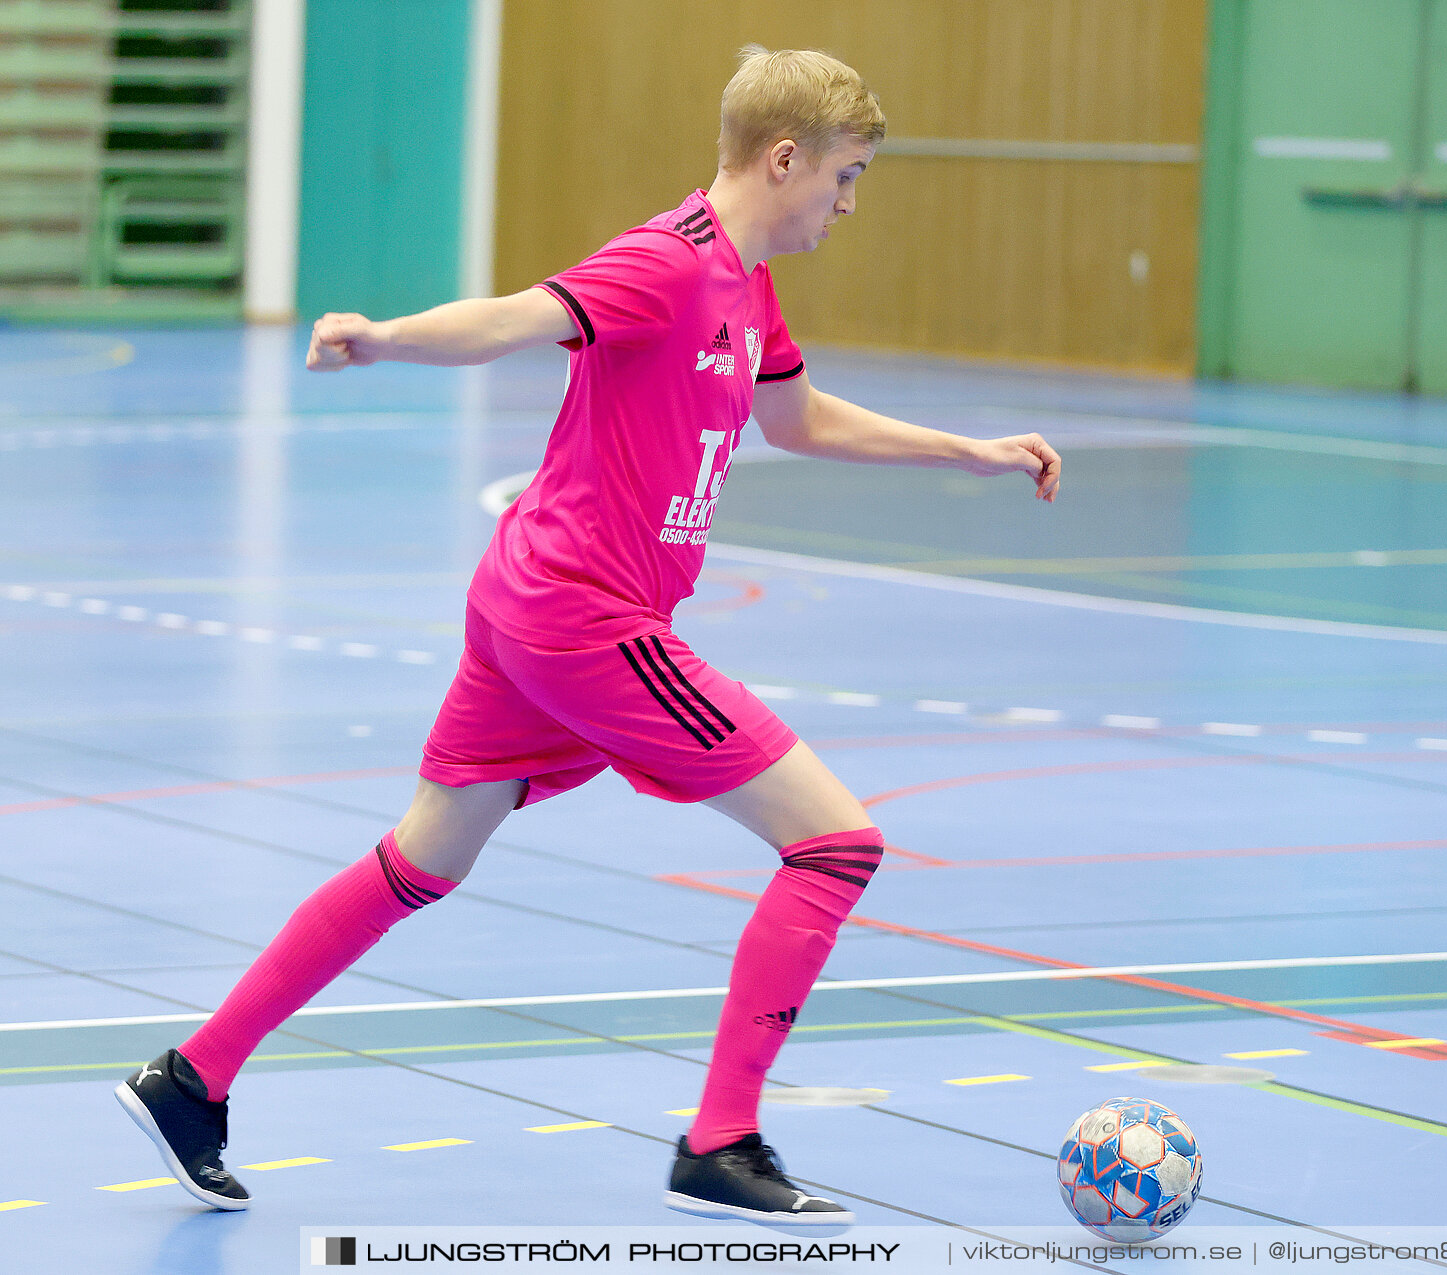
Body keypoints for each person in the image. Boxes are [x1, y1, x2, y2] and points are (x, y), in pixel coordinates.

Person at [115, 44, 1060, 1226]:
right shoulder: (666, 264)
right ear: (786, 159)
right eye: (846, 176)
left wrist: (965, 450)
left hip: (526, 603)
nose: (849, 203)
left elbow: (799, 418)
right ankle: (720, 1143)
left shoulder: (748, 284)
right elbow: (521, 315)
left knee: (423, 859)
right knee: (836, 844)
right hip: (584, 619)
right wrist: (387, 336)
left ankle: (191, 1079)